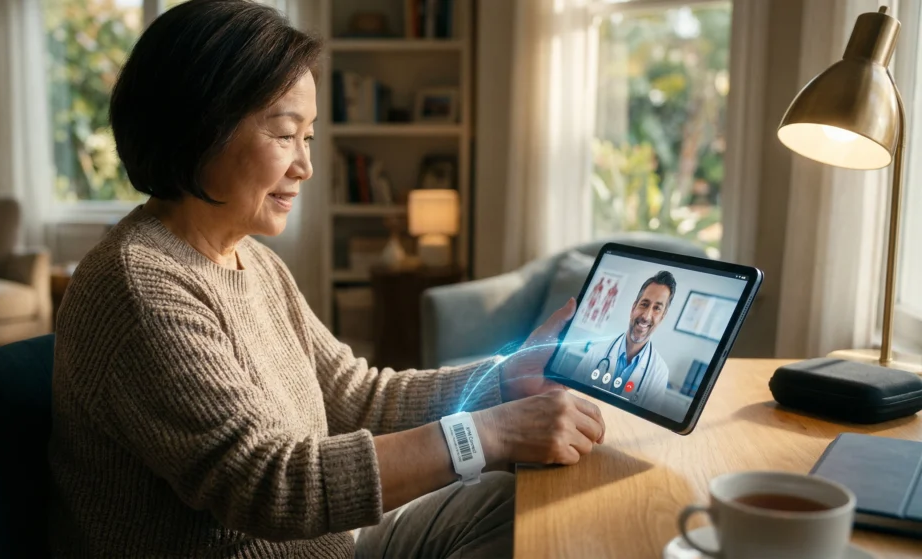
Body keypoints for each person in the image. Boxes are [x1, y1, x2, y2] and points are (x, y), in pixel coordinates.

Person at [47, 2, 606, 558]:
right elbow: (272, 486)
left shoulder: (251, 259)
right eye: (285, 134)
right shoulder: (140, 287)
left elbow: (354, 398)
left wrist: (506, 379)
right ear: (200, 127)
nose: (305, 166)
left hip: (338, 550)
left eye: (308, 137)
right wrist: (491, 434)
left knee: (515, 508)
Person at [571, 271, 676, 415]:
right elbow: (571, 399)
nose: (646, 316)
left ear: (662, 317)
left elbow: (646, 424)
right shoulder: (597, 351)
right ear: (633, 308)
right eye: (644, 304)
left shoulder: (660, 372)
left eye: (657, 308)